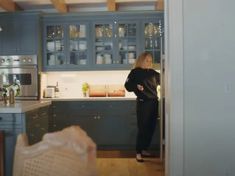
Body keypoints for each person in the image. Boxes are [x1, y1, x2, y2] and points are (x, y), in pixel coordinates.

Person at [124, 52, 160, 162]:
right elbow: (127, 86)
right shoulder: (135, 72)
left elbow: (165, 81)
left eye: (150, 60)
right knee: (143, 128)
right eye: (147, 60)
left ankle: (144, 149)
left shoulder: (153, 73)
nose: (149, 62)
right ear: (141, 60)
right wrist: (136, 86)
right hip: (143, 103)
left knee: (151, 128)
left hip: (154, 103)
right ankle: (138, 152)